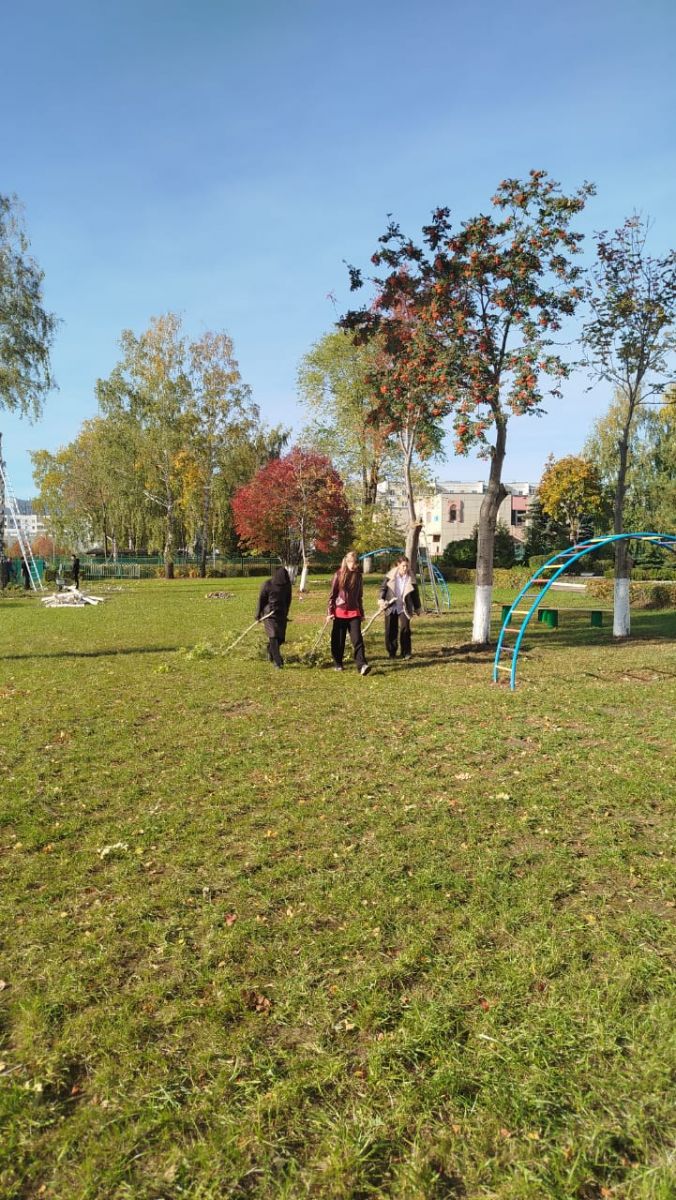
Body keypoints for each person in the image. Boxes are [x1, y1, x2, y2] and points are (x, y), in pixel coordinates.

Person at [328, 550, 371, 675]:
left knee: (357, 640)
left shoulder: (358, 576)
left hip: (354, 613)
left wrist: (361, 613)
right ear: (346, 562)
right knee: (338, 641)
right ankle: (338, 663)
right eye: (350, 562)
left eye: (355, 562)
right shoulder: (338, 574)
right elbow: (332, 596)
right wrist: (330, 612)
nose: (352, 565)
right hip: (339, 612)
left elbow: (359, 596)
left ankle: (362, 665)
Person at [378, 555, 422, 660]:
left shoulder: (411, 578)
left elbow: (415, 594)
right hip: (391, 605)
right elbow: (383, 588)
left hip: (404, 606)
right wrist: (381, 600)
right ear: (398, 565)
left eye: (407, 566)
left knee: (405, 629)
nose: (405, 568)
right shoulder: (390, 576)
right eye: (403, 566)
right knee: (391, 629)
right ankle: (392, 652)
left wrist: (417, 607)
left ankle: (406, 652)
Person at [255, 566, 292, 669]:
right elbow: (261, 600)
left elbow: (288, 600)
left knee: (281, 639)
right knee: (274, 636)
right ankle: (277, 662)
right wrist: (258, 614)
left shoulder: (287, 585)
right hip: (269, 615)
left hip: (281, 614)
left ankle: (270, 650)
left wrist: (286, 613)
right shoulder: (268, 584)